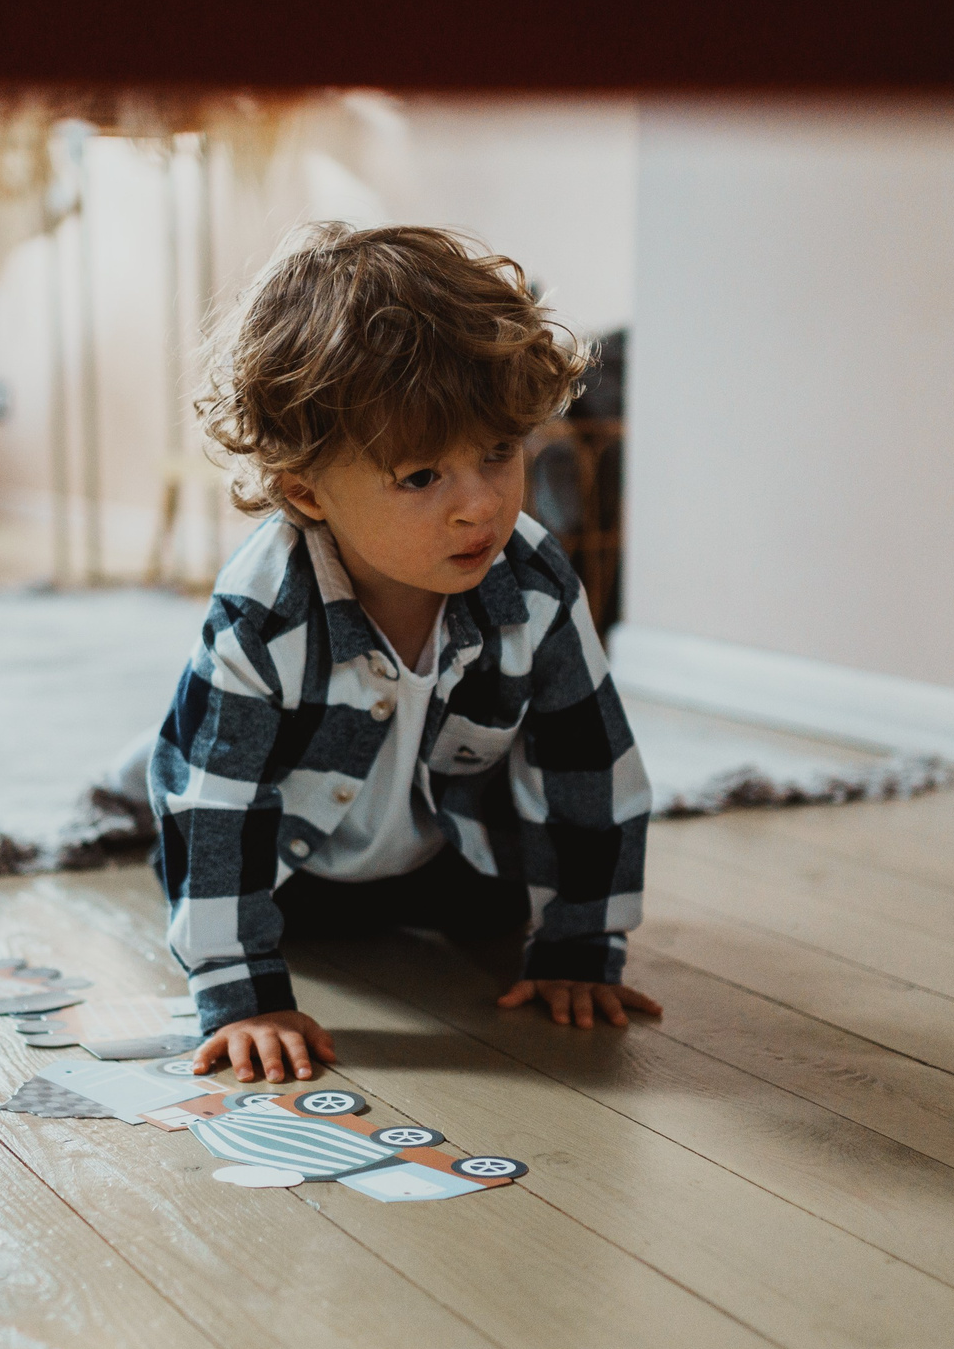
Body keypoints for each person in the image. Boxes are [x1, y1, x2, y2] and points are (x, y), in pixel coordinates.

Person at [150, 223, 660, 1082]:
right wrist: (244, 995)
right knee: (189, 787)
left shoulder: (532, 584)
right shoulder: (264, 610)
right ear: (307, 488)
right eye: (422, 477)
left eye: (498, 453)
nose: (478, 507)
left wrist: (581, 941)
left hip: (452, 856)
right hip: (292, 876)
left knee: (502, 896)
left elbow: (588, 764)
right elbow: (219, 807)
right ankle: (142, 768)